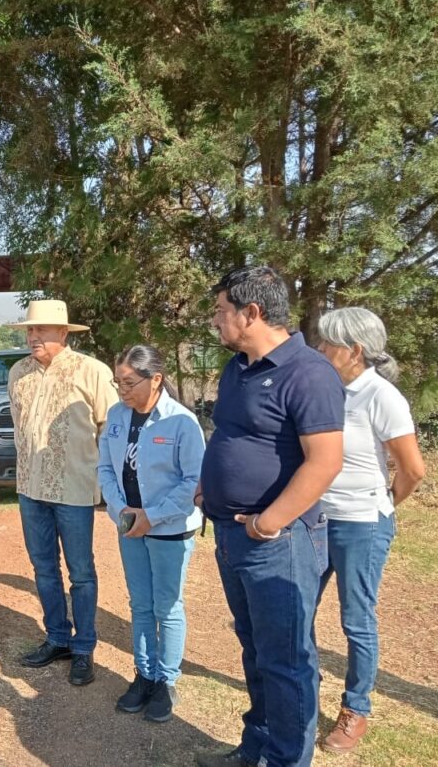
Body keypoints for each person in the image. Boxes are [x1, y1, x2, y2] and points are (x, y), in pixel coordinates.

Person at [196, 266, 345, 767]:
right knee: (255, 650)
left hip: (276, 542)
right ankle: (255, 748)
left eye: (221, 311)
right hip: (230, 535)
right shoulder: (237, 366)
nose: (215, 320)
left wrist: (269, 521)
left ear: (251, 313)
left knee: (286, 661)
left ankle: (286, 759)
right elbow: (236, 436)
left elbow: (325, 461)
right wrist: (208, 482)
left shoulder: (308, 372)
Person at [314, 307, 426, 754]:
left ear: (355, 351)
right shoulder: (327, 390)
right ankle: (304, 684)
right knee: (298, 604)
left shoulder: (382, 396)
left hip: (362, 524)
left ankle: (355, 708)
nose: (320, 350)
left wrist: (381, 505)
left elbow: (412, 470)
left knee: (356, 620)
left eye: (327, 343)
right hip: (318, 518)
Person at [7, 299, 118, 686]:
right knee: (43, 569)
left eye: (41, 330)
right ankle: (57, 637)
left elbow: (112, 429)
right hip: (30, 488)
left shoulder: (93, 372)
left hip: (74, 489)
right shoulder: (18, 373)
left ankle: (84, 647)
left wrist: (106, 484)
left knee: (81, 572)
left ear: (64, 333)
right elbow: (22, 428)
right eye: (29, 330)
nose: (33, 336)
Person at [97, 345, 204, 723]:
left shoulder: (182, 422)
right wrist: (121, 510)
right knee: (140, 605)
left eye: (129, 382)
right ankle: (144, 675)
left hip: (169, 528)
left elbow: (194, 481)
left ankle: (166, 681)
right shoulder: (115, 416)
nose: (122, 390)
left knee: (167, 607)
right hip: (129, 526)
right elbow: (105, 469)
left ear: (155, 379)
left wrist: (152, 516)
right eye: (118, 382)